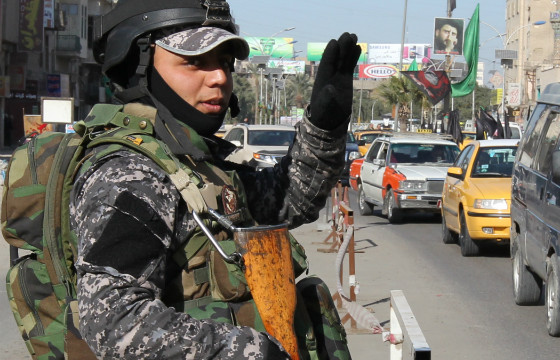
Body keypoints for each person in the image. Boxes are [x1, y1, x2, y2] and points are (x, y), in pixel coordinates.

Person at [71, 0, 360, 358]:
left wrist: (323, 127)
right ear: (137, 64)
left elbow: (286, 201)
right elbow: (114, 322)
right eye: (195, 61)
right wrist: (249, 352)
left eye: (224, 63)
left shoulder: (193, 161)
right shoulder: (130, 173)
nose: (220, 78)